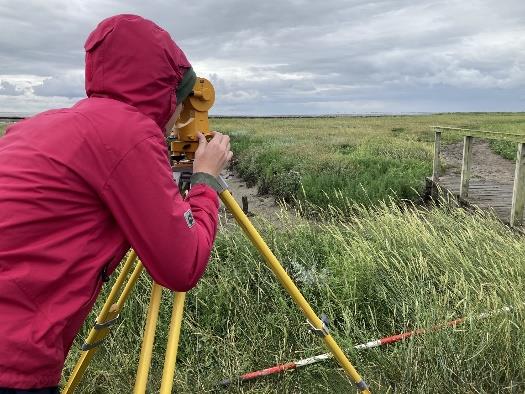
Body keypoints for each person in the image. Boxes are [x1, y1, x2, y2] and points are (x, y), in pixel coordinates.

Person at [0, 14, 232, 392]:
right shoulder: (128, 133)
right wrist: (204, 178)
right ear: (167, 92)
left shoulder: (39, 125)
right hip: (12, 356)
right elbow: (181, 267)